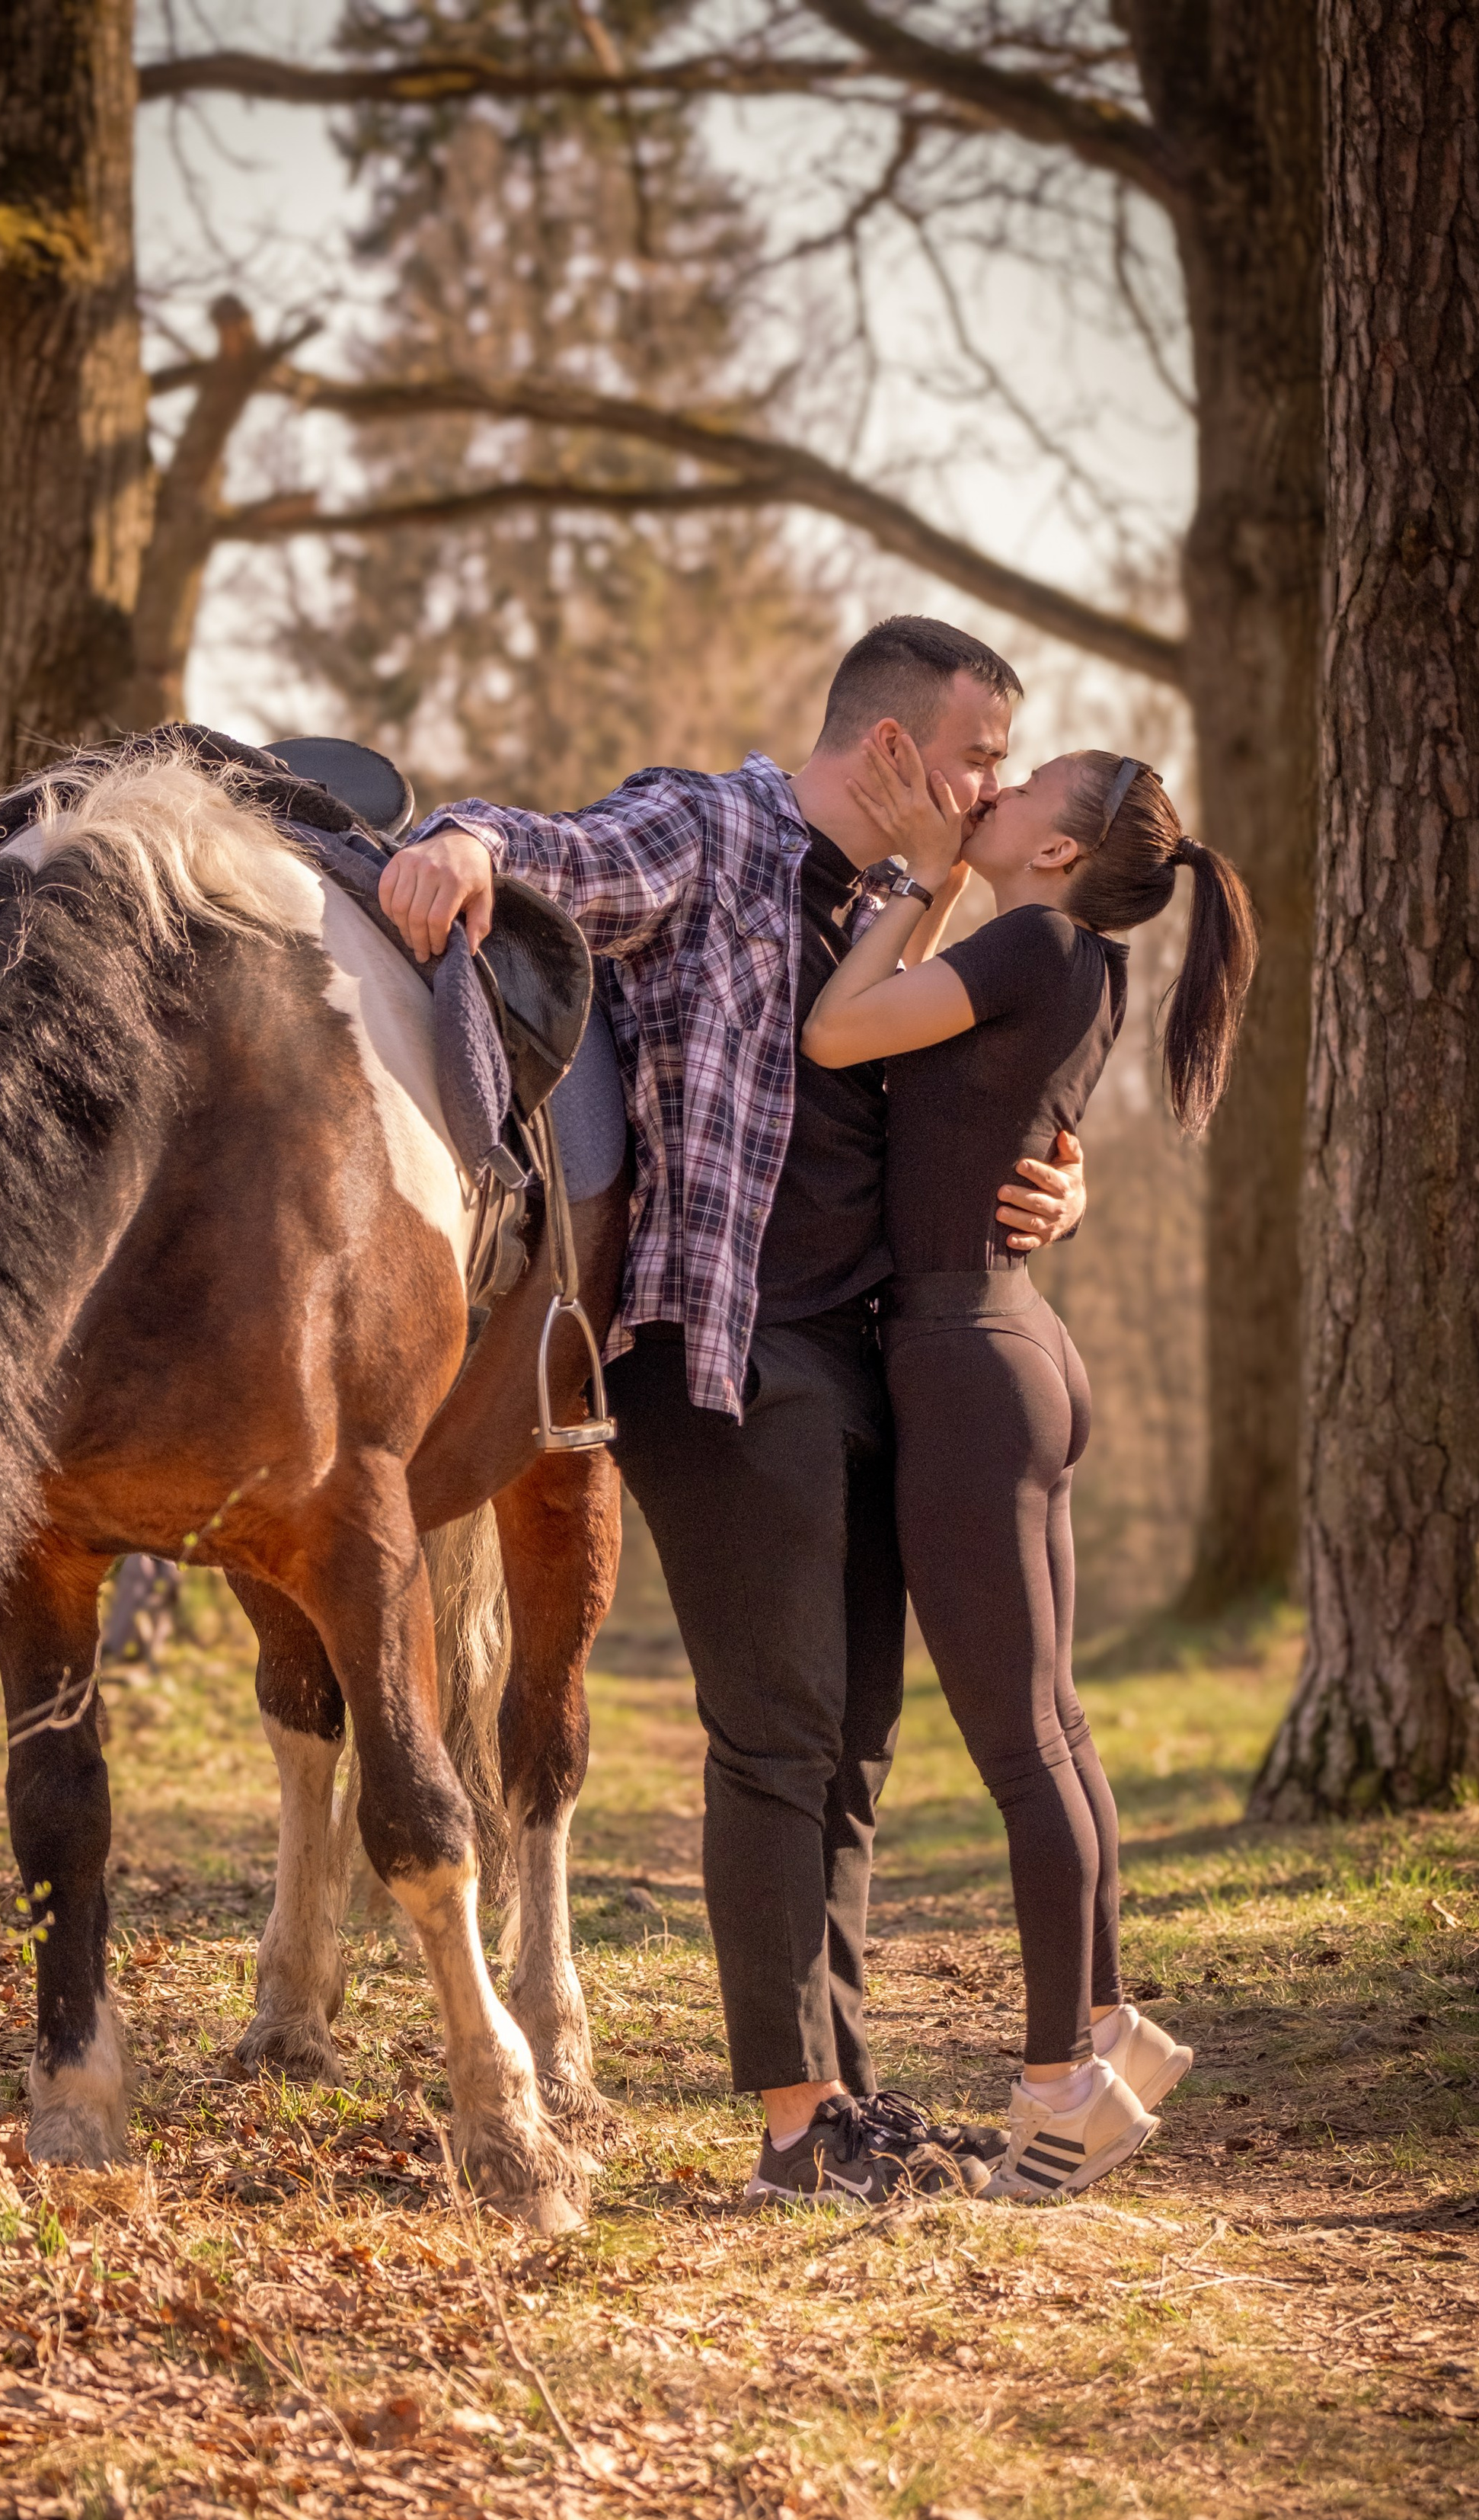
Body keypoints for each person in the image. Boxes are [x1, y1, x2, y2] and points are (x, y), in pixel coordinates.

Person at [379, 616, 1089, 2207]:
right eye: (977, 758)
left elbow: (984, 1103)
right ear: (895, 751)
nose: (990, 791)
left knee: (853, 1743)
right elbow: (552, 851)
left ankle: (842, 2092)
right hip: (722, 1353)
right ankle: (789, 2124)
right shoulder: (715, 833)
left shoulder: (930, 913)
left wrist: (1062, 1179)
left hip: (883, 1356)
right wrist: (454, 843)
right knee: (772, 1734)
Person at [801, 733, 1257, 2200]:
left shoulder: (1029, 942)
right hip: (1013, 1347)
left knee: (1020, 1748)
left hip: (967, 1362)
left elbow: (835, 1033)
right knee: (1053, 1726)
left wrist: (924, 883)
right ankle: (1112, 2025)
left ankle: (1062, 2089)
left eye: (1026, 783)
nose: (995, 790)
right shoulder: (1076, 959)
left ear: (1060, 847)